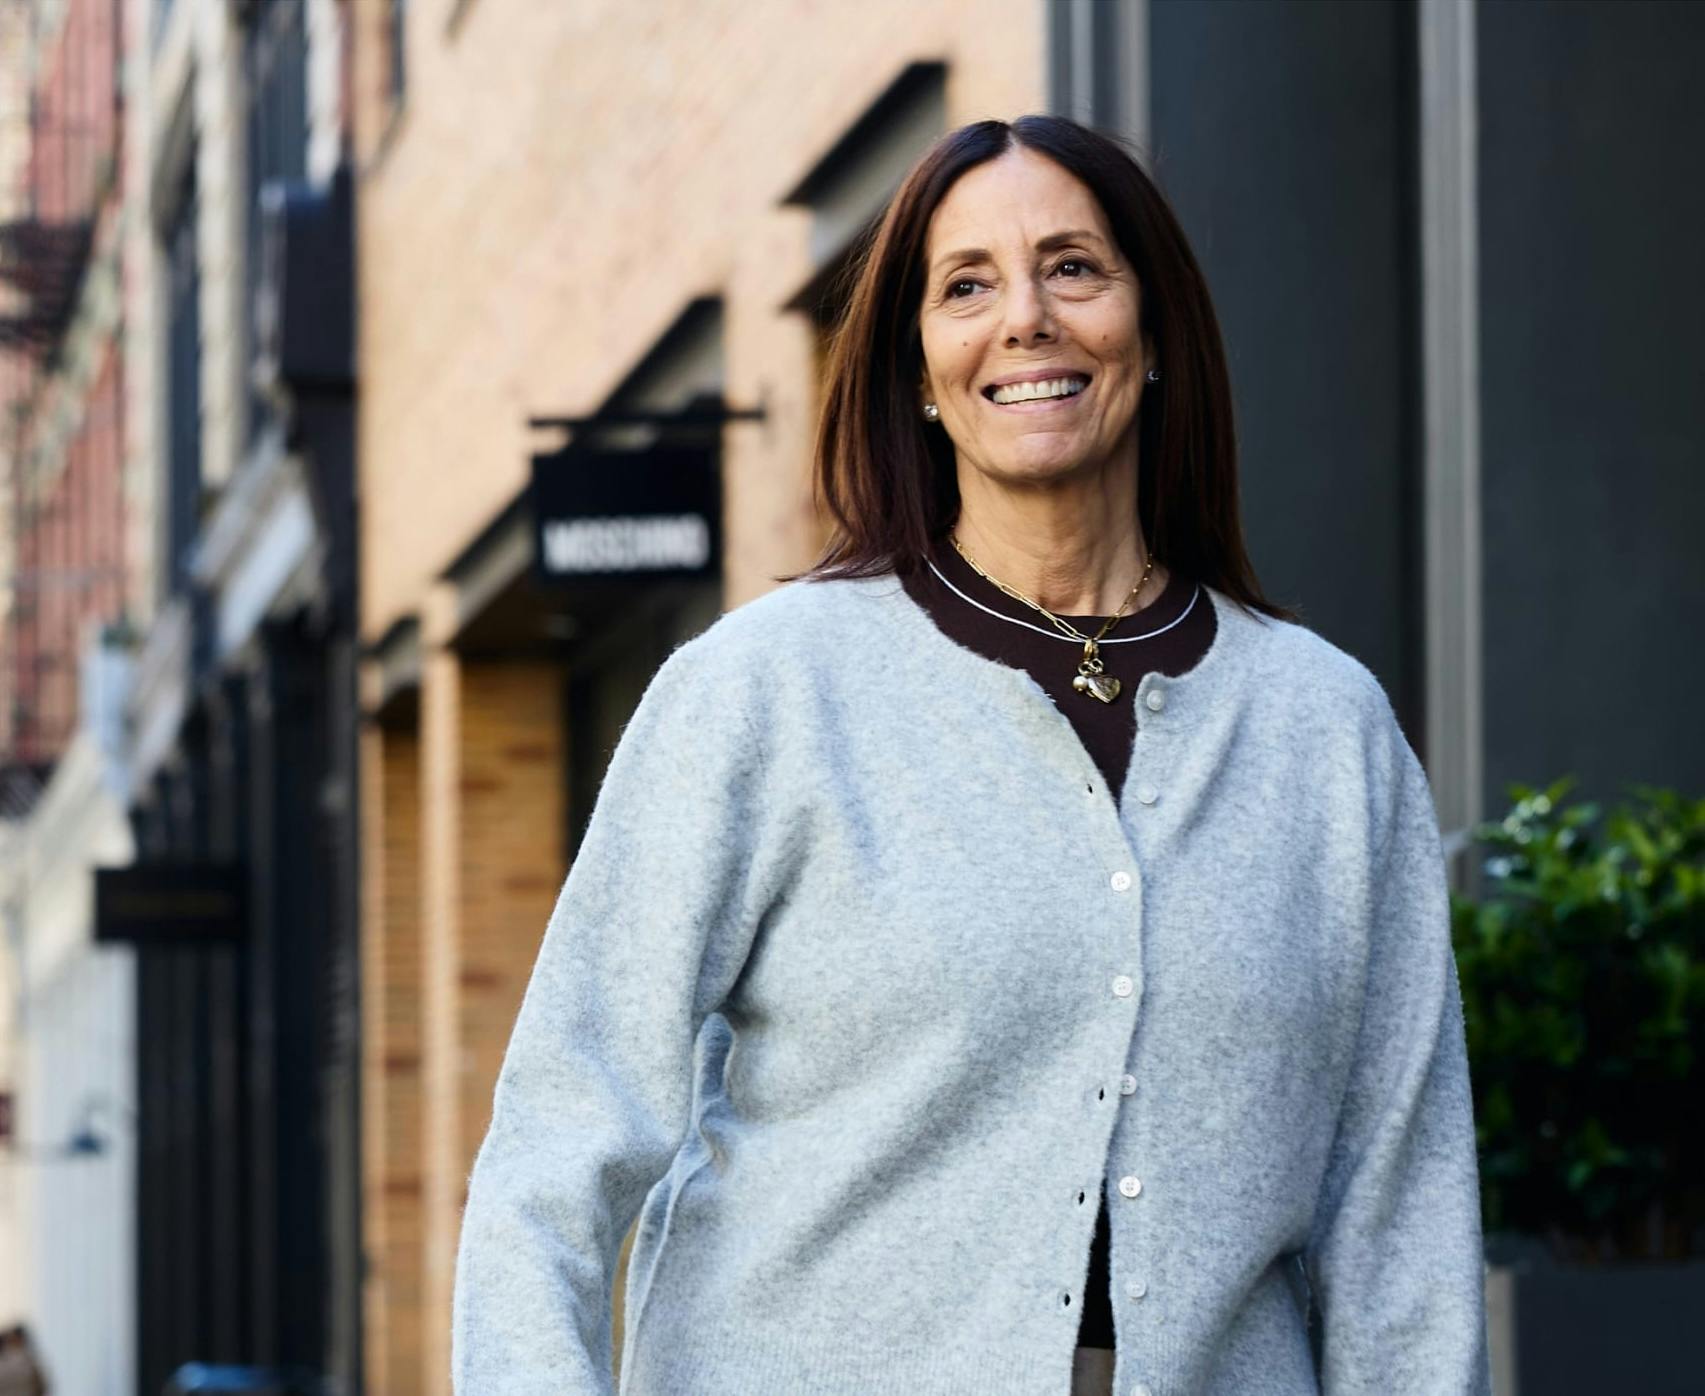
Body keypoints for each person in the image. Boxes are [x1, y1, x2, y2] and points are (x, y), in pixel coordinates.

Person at [451, 114, 1492, 1396]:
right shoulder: (764, 693)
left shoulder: (1325, 729)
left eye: (1073, 268)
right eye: (967, 287)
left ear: (1155, 334)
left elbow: (1401, 1214)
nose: (1026, 320)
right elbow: (557, 1145)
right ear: (920, 374)